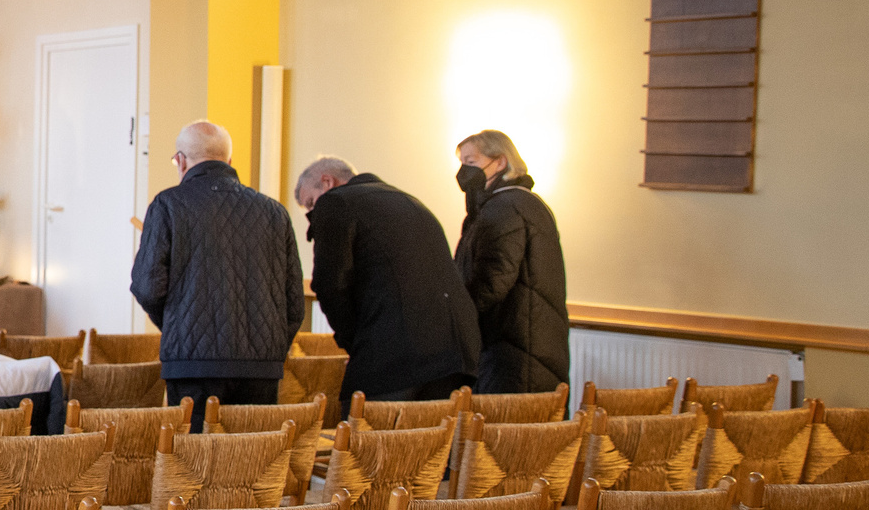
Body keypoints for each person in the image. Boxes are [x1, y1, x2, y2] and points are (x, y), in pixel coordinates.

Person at [128, 120, 307, 430]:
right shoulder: (274, 212)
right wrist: (269, 349)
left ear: (181, 161)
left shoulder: (168, 205)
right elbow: (294, 303)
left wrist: (179, 323)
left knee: (196, 468)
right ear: (230, 161)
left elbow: (147, 286)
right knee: (251, 466)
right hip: (261, 370)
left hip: (192, 367)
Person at [294, 155, 482, 403]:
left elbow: (330, 285)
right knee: (436, 440)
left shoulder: (335, 202)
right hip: (457, 355)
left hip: (395, 358)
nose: (312, 212)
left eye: (310, 203)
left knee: (366, 435)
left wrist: (355, 344)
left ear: (327, 182)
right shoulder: (410, 201)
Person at [453, 129, 570, 394]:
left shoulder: (504, 208)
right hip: (527, 344)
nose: (463, 172)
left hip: (510, 352)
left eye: (471, 163)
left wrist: (455, 319)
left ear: (501, 161)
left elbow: (492, 281)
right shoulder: (524, 203)